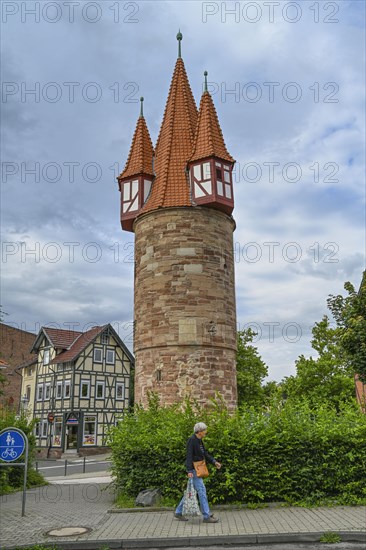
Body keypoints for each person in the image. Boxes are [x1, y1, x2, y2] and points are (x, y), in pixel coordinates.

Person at [174, 422, 222, 523]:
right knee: (202, 490)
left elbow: (205, 454)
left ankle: (178, 511)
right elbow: (189, 456)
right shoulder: (192, 440)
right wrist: (189, 470)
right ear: (199, 431)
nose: (206, 432)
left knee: (190, 492)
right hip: (194, 470)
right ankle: (206, 515)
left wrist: (214, 462)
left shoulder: (199, 441)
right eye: (205, 430)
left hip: (198, 468)